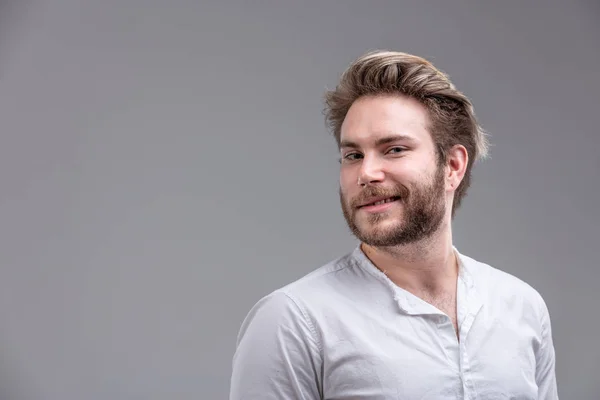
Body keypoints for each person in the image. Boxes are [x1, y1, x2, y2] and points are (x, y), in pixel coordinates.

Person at [229, 50, 559, 399]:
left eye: (394, 149)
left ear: (452, 166)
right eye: (353, 155)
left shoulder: (522, 306)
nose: (367, 173)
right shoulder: (293, 321)